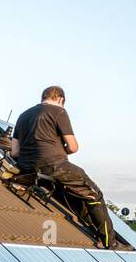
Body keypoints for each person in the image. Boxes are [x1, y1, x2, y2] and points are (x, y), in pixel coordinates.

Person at [10, 86, 123, 249]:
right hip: (55, 166)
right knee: (93, 195)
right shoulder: (58, 111)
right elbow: (73, 147)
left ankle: (95, 229)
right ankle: (110, 242)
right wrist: (59, 149)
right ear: (60, 99)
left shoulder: (22, 116)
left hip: (27, 167)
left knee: (73, 194)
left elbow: (15, 152)